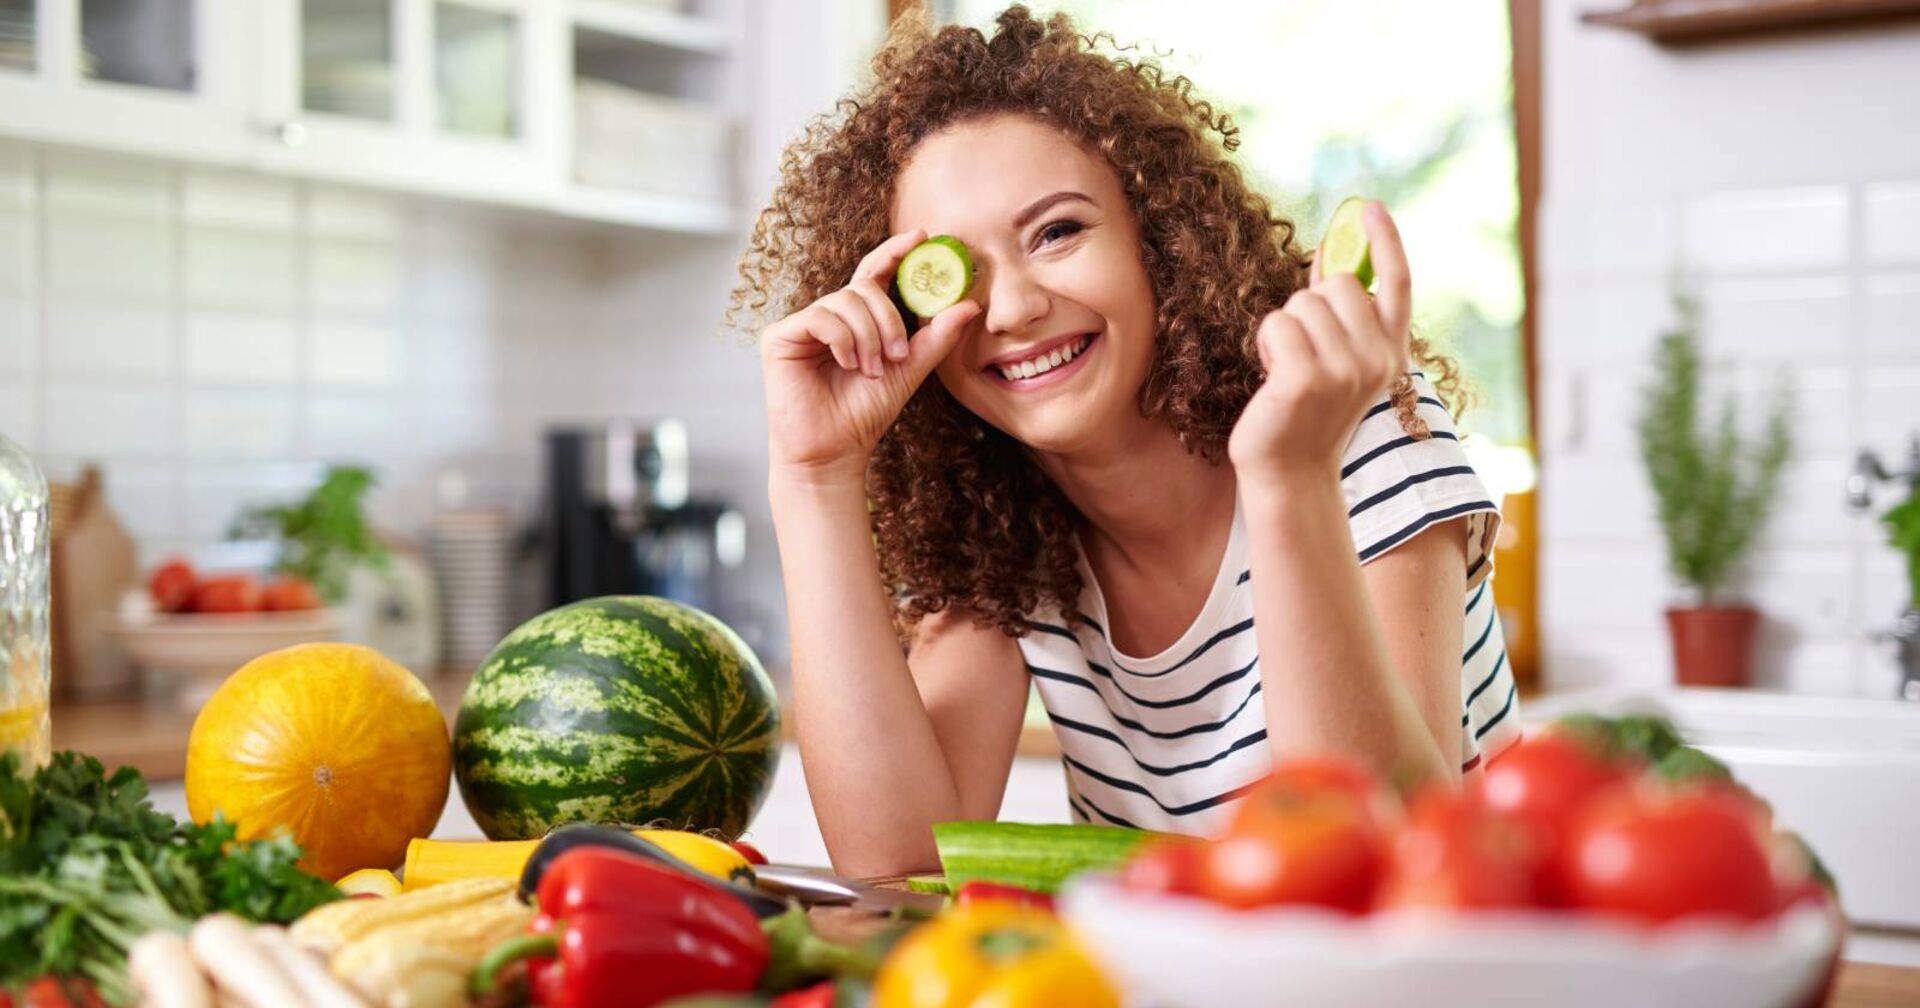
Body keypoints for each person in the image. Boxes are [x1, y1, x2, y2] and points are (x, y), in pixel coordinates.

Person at [728, 5, 1520, 878]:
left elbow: (1385, 855)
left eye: (1058, 233)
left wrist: (1288, 477)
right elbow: (898, 863)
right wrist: (815, 478)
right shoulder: (1005, 537)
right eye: (958, 270)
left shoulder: (1353, 432)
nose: (1014, 309)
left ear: (1159, 240)